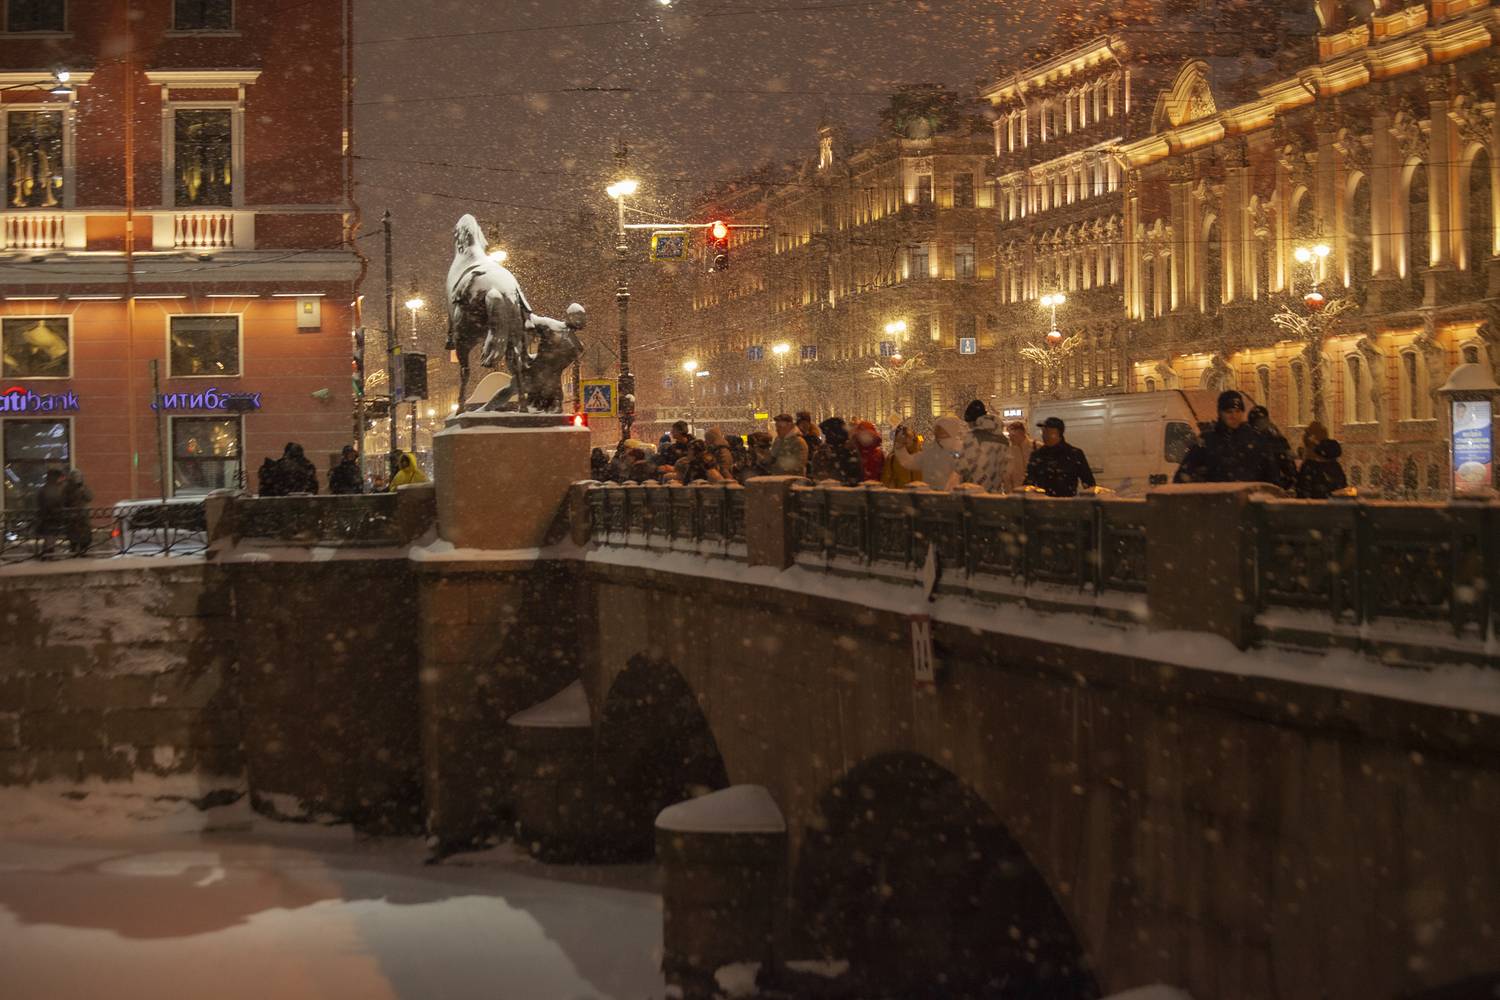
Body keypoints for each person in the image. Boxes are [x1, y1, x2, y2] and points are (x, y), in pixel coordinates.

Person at [1174, 390, 1284, 486]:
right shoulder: (1208, 440)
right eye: (1229, 412)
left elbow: (1272, 475)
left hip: (1250, 505)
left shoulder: (1256, 440)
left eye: (1238, 411)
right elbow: (1183, 475)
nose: (1234, 416)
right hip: (1217, 504)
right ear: (1220, 413)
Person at [1023, 417, 1096, 497]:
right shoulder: (1037, 455)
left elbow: (1088, 482)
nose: (1045, 436)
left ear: (1059, 434)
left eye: (1049, 432)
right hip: (1042, 504)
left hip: (1067, 504)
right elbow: (1029, 482)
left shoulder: (1074, 454)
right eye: (1043, 432)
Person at [896, 416, 966, 490]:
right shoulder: (930, 450)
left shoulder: (958, 448)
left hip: (950, 497)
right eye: (936, 428)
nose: (935, 430)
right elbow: (910, 462)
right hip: (930, 496)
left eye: (940, 428)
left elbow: (960, 470)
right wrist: (900, 448)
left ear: (948, 430)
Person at [959, 400, 1008, 493]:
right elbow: (1006, 468)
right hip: (995, 492)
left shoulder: (973, 436)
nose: (968, 426)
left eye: (968, 423)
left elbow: (961, 466)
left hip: (975, 491)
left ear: (973, 421)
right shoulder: (1002, 438)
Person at [1248, 405, 1297, 490]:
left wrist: (1288, 480)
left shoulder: (1276, 439)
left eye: (1263, 421)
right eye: (1259, 422)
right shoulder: (1246, 438)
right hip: (1262, 485)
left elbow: (1288, 463)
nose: (1261, 424)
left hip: (1268, 486)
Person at [809, 417, 863, 484]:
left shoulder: (848, 451)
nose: (826, 437)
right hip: (831, 490)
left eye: (827, 434)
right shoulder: (824, 451)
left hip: (840, 491)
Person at [34, 468, 67, 555]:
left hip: (45, 517)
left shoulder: (44, 488)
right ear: (57, 478)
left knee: (48, 537)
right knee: (50, 538)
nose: (62, 480)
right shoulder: (54, 489)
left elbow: (39, 502)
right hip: (52, 517)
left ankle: (45, 554)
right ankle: (48, 555)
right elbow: (56, 503)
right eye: (61, 478)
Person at [62, 468, 93, 555]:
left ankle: (84, 551)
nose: (78, 478)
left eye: (79, 476)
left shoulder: (84, 487)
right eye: (76, 476)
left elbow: (90, 497)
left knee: (85, 538)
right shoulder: (67, 488)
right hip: (72, 516)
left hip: (83, 516)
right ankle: (74, 552)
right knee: (73, 538)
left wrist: (83, 490)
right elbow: (64, 501)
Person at [1000, 420, 1034, 494]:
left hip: (1034, 493)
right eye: (1009, 435)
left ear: (1021, 433)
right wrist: (1009, 492)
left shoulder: (1036, 447)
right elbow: (1006, 475)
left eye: (1012, 435)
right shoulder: (1008, 451)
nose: (1010, 437)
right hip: (1015, 494)